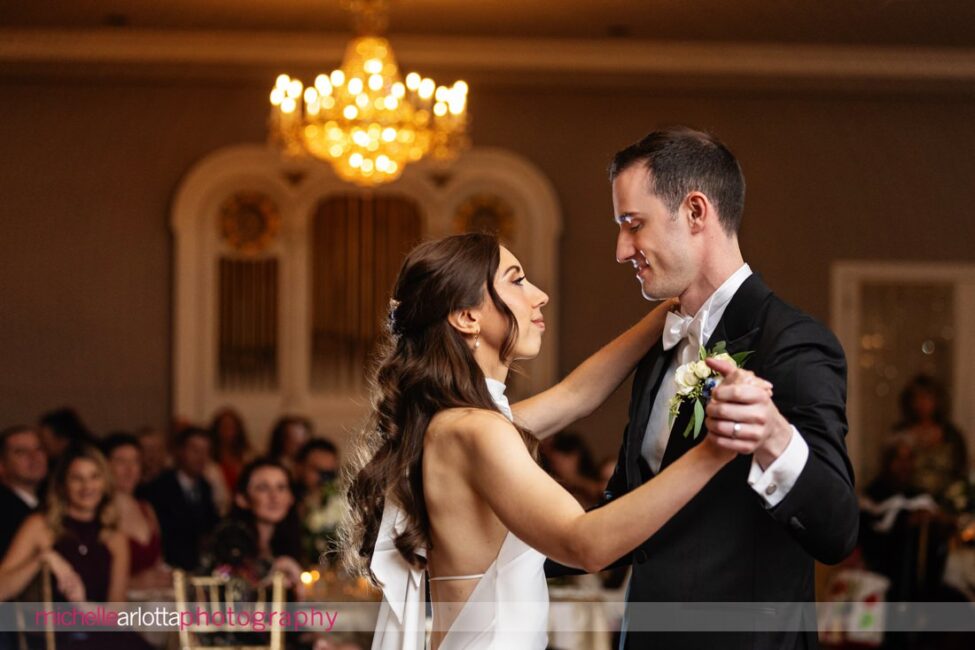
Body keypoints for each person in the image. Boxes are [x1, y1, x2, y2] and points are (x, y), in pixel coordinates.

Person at [342, 233, 756, 650]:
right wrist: (715, 451)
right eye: (516, 280)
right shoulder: (477, 431)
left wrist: (674, 307)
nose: (539, 296)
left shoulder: (454, 425)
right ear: (467, 316)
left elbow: (576, 394)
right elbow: (585, 544)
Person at [581, 126, 858, 649]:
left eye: (632, 224)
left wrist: (774, 436)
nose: (621, 250)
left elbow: (837, 529)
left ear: (695, 212)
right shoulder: (661, 347)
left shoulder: (794, 343)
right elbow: (626, 515)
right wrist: (480, 545)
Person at [206, 458, 304, 589]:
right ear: (242, 499)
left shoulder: (291, 539)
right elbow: (223, 583)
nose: (274, 496)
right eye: (263, 488)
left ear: (291, 498)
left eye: (281, 487)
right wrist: (272, 572)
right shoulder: (229, 536)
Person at [138, 427, 219, 570]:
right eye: (195, 450)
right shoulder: (158, 487)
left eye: (206, 451)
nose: (201, 457)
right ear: (180, 451)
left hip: (199, 566)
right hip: (170, 565)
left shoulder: (206, 487)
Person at [101, 432, 169, 589]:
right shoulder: (99, 513)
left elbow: (158, 563)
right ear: (106, 465)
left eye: (135, 461)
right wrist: (133, 583)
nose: (129, 469)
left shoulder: (146, 509)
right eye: (121, 462)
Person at [892, 374, 969, 504]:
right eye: (916, 397)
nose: (921, 403)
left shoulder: (951, 434)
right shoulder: (901, 433)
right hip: (909, 502)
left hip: (947, 502)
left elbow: (960, 469)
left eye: (926, 397)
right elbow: (893, 472)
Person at [0, 425, 48, 559]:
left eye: (39, 449)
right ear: (2, 464)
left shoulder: (53, 500)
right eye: (21, 452)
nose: (34, 457)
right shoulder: (4, 511)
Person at [208, 407, 253, 495]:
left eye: (231, 427)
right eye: (224, 427)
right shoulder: (209, 459)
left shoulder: (248, 457)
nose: (228, 431)